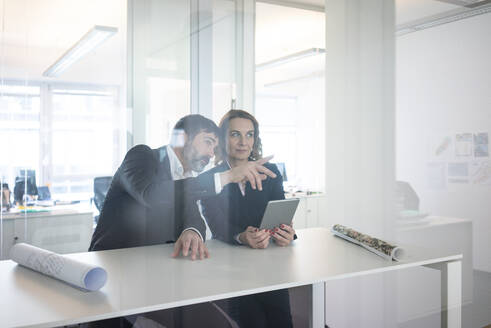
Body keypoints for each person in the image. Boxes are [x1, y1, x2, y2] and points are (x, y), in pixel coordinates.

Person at [87, 114, 277, 328]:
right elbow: (150, 193)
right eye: (208, 142)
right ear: (183, 137)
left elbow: (195, 219)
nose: (211, 153)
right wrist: (226, 177)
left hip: (155, 276)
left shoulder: (187, 178)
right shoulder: (143, 156)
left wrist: (191, 231)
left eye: (215, 147)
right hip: (112, 273)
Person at [200, 110, 296, 328]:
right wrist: (241, 236)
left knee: (281, 322)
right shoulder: (211, 179)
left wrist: (286, 233)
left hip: (272, 265)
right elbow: (217, 224)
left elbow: (280, 213)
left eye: (249, 135)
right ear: (223, 139)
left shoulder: (270, 171)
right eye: (235, 134)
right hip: (233, 269)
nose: (244, 142)